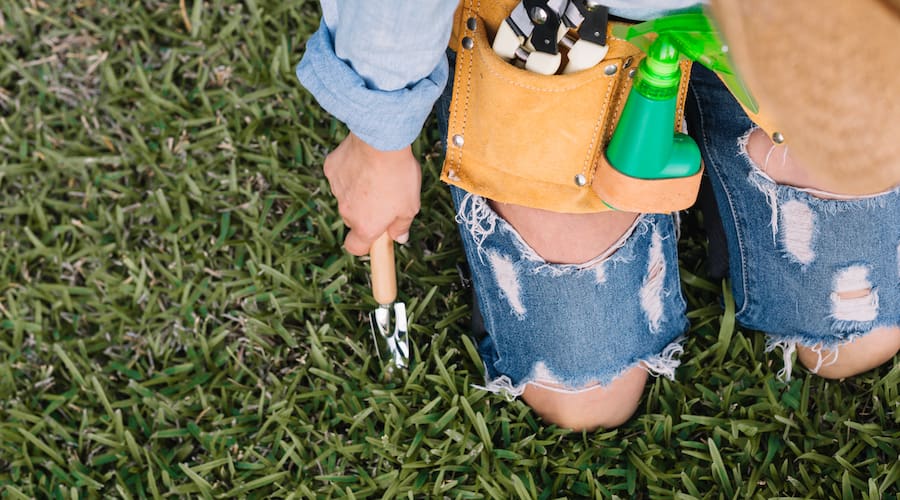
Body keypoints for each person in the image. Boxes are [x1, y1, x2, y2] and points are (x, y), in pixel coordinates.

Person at [297, 0, 900, 431]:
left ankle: (718, 118)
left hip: (802, 25)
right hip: (563, 29)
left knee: (857, 332)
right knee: (585, 390)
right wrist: (379, 136)